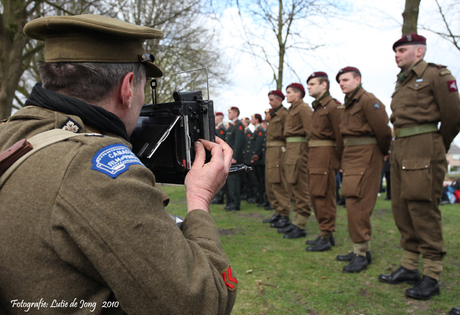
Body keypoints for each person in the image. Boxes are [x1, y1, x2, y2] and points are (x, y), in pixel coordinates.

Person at [0, 15, 236, 314]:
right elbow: (203, 303)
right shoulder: (96, 169)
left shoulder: (9, 132)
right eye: (141, 89)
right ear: (127, 87)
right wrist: (199, 199)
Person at [378, 33, 460, 300]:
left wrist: (437, 145)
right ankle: (410, 266)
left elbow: (452, 116)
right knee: (401, 208)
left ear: (419, 52)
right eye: (396, 51)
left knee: (423, 209)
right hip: (401, 148)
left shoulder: (437, 75)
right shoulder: (402, 82)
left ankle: (432, 274)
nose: (397, 55)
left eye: (402, 50)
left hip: (424, 146)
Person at [335, 67, 392, 273]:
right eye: (339, 80)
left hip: (366, 155)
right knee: (352, 202)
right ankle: (360, 249)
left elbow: (383, 131)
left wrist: (382, 152)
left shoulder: (368, 100)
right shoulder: (349, 104)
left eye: (346, 79)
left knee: (359, 204)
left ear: (358, 80)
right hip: (353, 156)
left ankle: (361, 254)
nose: (341, 83)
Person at [305, 72, 343, 251]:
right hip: (316, 154)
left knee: (323, 195)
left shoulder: (332, 107)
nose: (309, 87)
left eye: (312, 84)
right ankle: (325, 233)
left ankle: (326, 234)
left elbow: (340, 135)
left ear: (324, 85)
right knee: (315, 193)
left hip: (326, 155)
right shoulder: (319, 107)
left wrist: (339, 160)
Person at [278, 83, 313, 239]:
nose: (287, 95)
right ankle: (296, 222)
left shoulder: (303, 109)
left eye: (289, 92)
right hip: (291, 149)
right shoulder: (293, 109)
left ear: (298, 94)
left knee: (300, 187)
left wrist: (306, 153)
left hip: (299, 150)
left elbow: (310, 132)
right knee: (292, 186)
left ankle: (300, 224)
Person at [262, 90, 291, 227]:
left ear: (280, 100)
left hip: (279, 152)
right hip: (271, 151)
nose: (270, 102)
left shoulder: (284, 114)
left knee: (278, 183)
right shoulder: (273, 116)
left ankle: (284, 214)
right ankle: (278, 211)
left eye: (272, 99)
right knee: (270, 183)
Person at [225, 106, 245, 211]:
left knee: (235, 182)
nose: (228, 114)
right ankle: (231, 202)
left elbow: (238, 142)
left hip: (234, 158)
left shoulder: (238, 125)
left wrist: (234, 157)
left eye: (230, 112)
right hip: (230, 157)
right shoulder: (233, 125)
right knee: (231, 181)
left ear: (235, 113)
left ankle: (235, 204)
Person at [250, 114, 267, 207]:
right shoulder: (256, 130)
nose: (251, 120)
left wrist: (254, 156)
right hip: (257, 160)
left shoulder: (259, 130)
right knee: (258, 181)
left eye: (252, 118)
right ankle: (261, 200)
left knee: (261, 181)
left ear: (257, 119)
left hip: (259, 160)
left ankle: (262, 200)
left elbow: (258, 145)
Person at [211, 111, 228, 205]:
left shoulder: (221, 129)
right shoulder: (218, 128)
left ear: (220, 118)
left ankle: (220, 197)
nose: (214, 119)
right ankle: (218, 196)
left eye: (216, 117)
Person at [242, 117, 258, 203]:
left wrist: (249, 157)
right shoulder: (244, 131)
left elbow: (249, 146)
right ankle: (249, 194)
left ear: (246, 123)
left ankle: (254, 196)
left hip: (249, 158)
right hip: (246, 158)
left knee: (252, 179)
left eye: (243, 122)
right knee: (247, 179)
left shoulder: (248, 132)